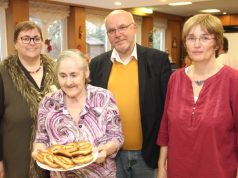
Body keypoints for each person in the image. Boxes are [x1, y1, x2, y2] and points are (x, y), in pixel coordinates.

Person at [89, 10, 172, 178]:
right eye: (111, 31)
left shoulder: (158, 60)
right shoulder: (97, 64)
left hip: (148, 155)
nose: (117, 34)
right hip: (109, 156)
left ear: (134, 28)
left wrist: (167, 153)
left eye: (122, 27)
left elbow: (168, 109)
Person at [157, 14, 238, 178]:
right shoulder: (176, 79)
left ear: (217, 43)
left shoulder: (233, 80)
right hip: (177, 171)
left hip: (218, 171)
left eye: (205, 38)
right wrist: (161, 166)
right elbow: (166, 127)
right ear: (185, 43)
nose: (197, 44)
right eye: (191, 38)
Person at [32, 49, 124, 178]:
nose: (68, 82)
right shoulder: (48, 102)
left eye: (74, 75)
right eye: (63, 76)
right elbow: (41, 138)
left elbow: (117, 136)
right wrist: (38, 149)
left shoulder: (103, 97)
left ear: (85, 73)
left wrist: (107, 149)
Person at [0, 21, 56, 178]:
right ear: (15, 43)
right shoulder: (3, 73)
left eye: (36, 38)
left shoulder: (57, 69)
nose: (32, 43)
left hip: (55, 155)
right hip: (17, 156)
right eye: (25, 38)